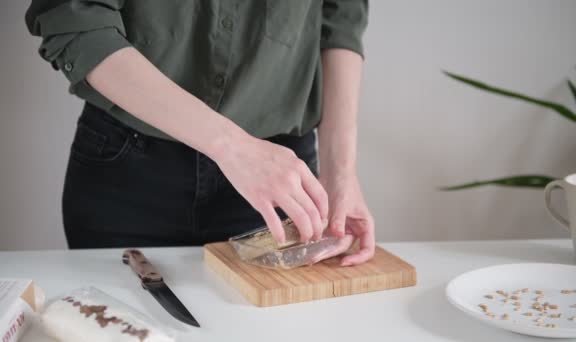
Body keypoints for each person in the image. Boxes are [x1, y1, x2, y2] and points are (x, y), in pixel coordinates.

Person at [25, 0, 374, 266]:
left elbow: (340, 20)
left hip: (282, 180)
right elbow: (76, 19)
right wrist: (234, 149)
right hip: (128, 171)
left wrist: (340, 170)